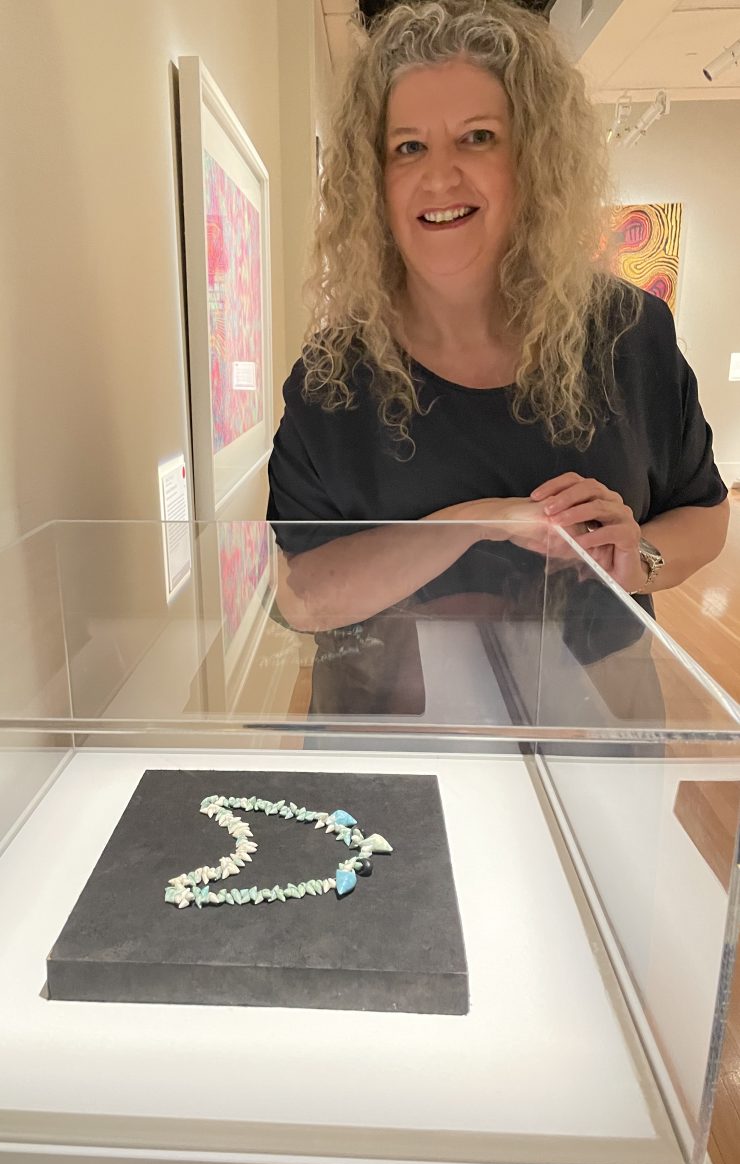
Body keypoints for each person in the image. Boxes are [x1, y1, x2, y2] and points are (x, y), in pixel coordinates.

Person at [266, 0, 728, 666]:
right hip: (396, 730)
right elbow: (304, 598)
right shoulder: (334, 378)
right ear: (373, 179)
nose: (439, 173)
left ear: (532, 158)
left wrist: (637, 560)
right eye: (408, 146)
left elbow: (705, 517)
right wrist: (477, 521)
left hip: (591, 724)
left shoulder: (630, 335)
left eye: (477, 137)